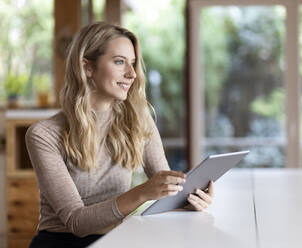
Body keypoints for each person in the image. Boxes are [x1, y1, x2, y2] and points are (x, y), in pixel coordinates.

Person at [26, 22, 214, 248]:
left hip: (117, 240)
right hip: (62, 243)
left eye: (133, 63)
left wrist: (188, 201)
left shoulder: (139, 121)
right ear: (88, 67)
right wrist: (143, 192)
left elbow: (165, 192)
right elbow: (77, 222)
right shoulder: (44, 135)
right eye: (119, 62)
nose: (132, 73)